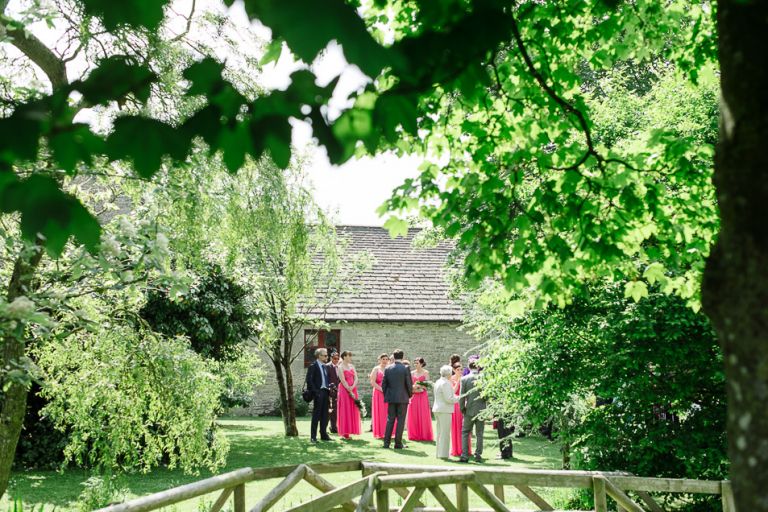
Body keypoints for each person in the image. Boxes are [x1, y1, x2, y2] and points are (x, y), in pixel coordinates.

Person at [381, 348, 413, 449]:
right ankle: (398, 443)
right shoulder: (405, 368)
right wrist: (410, 394)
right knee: (400, 421)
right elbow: (409, 384)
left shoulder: (388, 368)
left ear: (393, 357)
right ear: (402, 357)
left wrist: (387, 395)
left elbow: (383, 385)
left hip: (391, 398)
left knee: (390, 420)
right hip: (403, 397)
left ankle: (386, 443)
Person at [459, 360, 487, 462]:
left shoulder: (464, 379)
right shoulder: (484, 379)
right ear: (478, 367)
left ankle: (464, 455)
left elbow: (462, 396)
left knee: (465, 432)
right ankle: (478, 455)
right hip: (481, 409)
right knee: (479, 433)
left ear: (468, 367)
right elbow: (487, 396)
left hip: (469, 409)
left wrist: (462, 408)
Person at [432, 365, 459, 459]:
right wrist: (460, 398)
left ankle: (438, 453)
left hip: (438, 409)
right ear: (449, 374)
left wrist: (456, 397)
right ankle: (443, 454)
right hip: (444, 410)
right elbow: (449, 399)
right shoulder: (446, 383)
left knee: (439, 432)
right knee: (445, 433)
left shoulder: (438, 381)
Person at [305, 348, 331, 443]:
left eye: (327, 355)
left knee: (325, 415)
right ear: (319, 356)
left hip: (325, 392)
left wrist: (330, 387)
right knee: (316, 415)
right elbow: (309, 380)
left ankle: (323, 435)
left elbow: (325, 379)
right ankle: (313, 437)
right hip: (318, 393)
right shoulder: (313, 366)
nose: (327, 357)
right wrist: (316, 392)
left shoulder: (325, 366)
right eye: (325, 355)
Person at [336, 350, 361, 439]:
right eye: (349, 356)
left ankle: (351, 430)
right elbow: (342, 380)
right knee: (345, 409)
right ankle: (345, 432)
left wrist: (353, 387)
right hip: (344, 390)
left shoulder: (352, 366)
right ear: (344, 357)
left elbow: (356, 378)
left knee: (352, 408)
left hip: (353, 388)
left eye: (350, 355)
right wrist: (349, 390)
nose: (350, 357)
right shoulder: (340, 367)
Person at [407, 357, 434, 441]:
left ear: (421, 364)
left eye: (417, 363)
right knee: (413, 414)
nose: (415, 364)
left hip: (422, 396)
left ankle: (424, 434)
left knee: (423, 413)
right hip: (414, 395)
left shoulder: (426, 372)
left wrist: (419, 386)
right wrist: (414, 388)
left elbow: (427, 385)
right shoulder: (411, 373)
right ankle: (414, 434)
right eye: (414, 363)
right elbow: (409, 385)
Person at [450, 361, 470, 457]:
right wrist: (458, 381)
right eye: (458, 369)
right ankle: (456, 448)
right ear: (454, 370)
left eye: (461, 369)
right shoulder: (451, 379)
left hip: (464, 404)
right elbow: (453, 391)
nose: (460, 371)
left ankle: (465, 449)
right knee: (456, 427)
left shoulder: (465, 378)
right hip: (455, 404)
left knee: (464, 427)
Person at [369, 353, 390, 439]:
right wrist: (382, 389)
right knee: (380, 412)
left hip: (388, 393)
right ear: (380, 360)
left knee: (388, 412)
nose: (385, 361)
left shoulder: (389, 369)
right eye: (383, 359)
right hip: (378, 393)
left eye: (386, 359)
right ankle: (380, 432)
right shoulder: (376, 369)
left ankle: (389, 432)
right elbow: (372, 382)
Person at [326, 350, 341, 434]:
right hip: (330, 391)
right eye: (335, 358)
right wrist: (330, 388)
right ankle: (331, 427)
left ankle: (334, 427)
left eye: (337, 359)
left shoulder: (340, 367)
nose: (336, 360)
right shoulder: (327, 366)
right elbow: (326, 379)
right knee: (330, 410)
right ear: (331, 358)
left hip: (339, 391)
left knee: (336, 410)